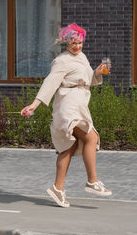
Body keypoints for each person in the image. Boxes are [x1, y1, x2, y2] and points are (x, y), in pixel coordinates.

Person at [20, 23, 112, 208]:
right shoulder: (62, 60)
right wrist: (35, 104)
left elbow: (87, 81)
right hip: (68, 104)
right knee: (91, 137)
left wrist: (98, 72)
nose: (77, 46)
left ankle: (57, 188)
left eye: (79, 43)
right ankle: (92, 181)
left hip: (79, 103)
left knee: (68, 148)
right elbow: (50, 83)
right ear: (66, 43)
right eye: (73, 43)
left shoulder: (82, 56)